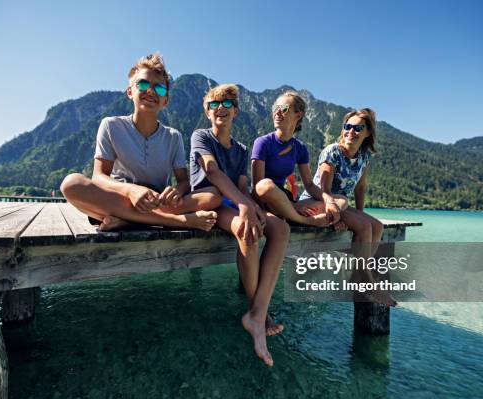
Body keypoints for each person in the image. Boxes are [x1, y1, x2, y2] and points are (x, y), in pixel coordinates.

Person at [60, 53, 220, 231]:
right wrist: (130, 191)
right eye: (143, 84)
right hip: (119, 199)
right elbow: (98, 177)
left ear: (165, 100)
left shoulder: (174, 136)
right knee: (71, 184)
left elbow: (183, 182)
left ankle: (129, 220)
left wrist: (176, 191)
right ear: (130, 91)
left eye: (159, 89)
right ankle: (178, 221)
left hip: (156, 204)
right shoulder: (111, 125)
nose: (150, 91)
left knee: (212, 195)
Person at [190, 84, 290, 367]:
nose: (220, 108)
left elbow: (244, 186)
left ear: (236, 110)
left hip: (235, 201)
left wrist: (255, 207)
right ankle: (259, 314)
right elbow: (211, 171)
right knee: (247, 232)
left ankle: (258, 312)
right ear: (207, 111)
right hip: (210, 201)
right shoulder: (201, 136)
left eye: (227, 103)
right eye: (213, 104)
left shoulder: (241, 149)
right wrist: (245, 207)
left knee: (280, 229)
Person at [300, 108, 396, 306]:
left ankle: (357, 276)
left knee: (375, 226)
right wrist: (343, 218)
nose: (351, 131)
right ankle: (368, 284)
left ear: (367, 132)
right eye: (347, 127)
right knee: (363, 227)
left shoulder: (364, 156)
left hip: (340, 204)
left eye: (357, 128)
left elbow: (360, 189)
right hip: (317, 200)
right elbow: (323, 190)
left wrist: (359, 215)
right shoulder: (332, 152)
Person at [251, 91, 348, 227]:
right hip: (266, 199)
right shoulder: (262, 142)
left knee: (341, 200)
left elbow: (309, 185)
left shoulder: (300, 148)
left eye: (283, 109)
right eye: (275, 109)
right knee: (265, 185)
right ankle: (306, 220)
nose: (277, 113)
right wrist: (292, 205)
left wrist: (329, 200)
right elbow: (257, 188)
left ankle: (310, 216)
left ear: (298, 115)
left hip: (286, 199)